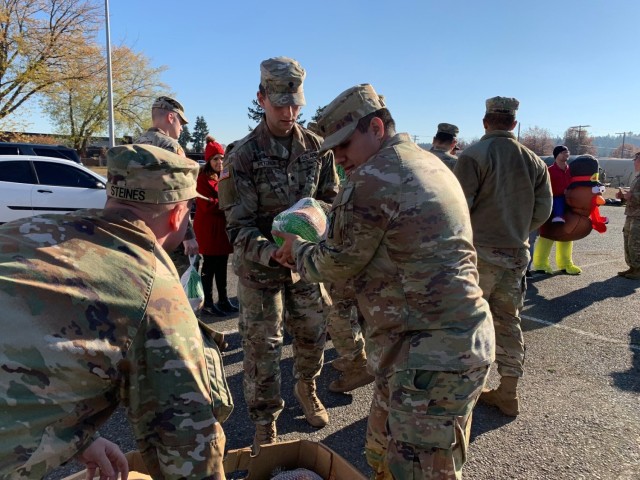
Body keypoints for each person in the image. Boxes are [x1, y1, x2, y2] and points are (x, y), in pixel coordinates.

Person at [272, 84, 495, 480]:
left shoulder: (374, 179)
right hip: (427, 349)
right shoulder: (425, 162)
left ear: (376, 127)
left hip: (429, 357)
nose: (339, 159)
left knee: (416, 471)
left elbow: (335, 262)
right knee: (383, 456)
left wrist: (298, 248)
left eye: (344, 146)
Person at [0, 144, 232, 479]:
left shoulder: (29, 230)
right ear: (177, 215)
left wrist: (77, 438)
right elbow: (187, 450)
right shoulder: (155, 292)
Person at [218, 57, 339, 449]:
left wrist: (315, 232)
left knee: (312, 335)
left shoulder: (319, 149)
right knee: (262, 349)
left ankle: (308, 387)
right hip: (260, 271)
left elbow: (330, 201)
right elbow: (237, 227)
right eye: (279, 104)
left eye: (295, 105)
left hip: (306, 265)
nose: (288, 113)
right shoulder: (242, 156)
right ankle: (265, 420)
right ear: (261, 98)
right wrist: (273, 252)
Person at [454, 96, 552, 417]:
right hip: (516, 254)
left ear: (485, 122)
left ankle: (461, 391)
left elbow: (457, 208)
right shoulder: (535, 161)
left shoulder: (473, 156)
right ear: (513, 124)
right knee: (508, 320)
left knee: (468, 321)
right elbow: (543, 211)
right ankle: (508, 391)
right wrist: (517, 231)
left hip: (478, 256)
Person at [136, 96, 199, 272]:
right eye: (181, 123)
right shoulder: (171, 147)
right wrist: (188, 236)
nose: (181, 128)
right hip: (167, 230)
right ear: (171, 117)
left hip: (139, 229)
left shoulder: (136, 144)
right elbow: (181, 194)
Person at [194, 136, 238, 317]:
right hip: (209, 229)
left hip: (222, 228)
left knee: (222, 266)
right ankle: (208, 303)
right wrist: (228, 203)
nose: (220, 162)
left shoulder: (225, 175)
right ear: (208, 161)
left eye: (221, 158)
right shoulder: (202, 179)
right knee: (210, 266)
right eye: (215, 159)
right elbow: (206, 204)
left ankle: (224, 299)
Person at [532, 145, 582, 275]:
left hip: (569, 207)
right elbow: (542, 189)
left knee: (567, 235)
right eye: (564, 152)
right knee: (547, 235)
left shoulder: (572, 171)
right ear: (557, 155)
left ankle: (566, 264)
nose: (567, 154)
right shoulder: (548, 171)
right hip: (551, 207)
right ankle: (541, 264)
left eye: (568, 152)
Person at [616, 151, 640, 279]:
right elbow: (632, 196)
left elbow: (636, 196)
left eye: (636, 160)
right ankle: (632, 267)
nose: (634, 163)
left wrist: (632, 196)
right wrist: (623, 196)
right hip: (631, 214)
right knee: (629, 240)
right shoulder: (637, 177)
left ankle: (638, 269)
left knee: (636, 241)